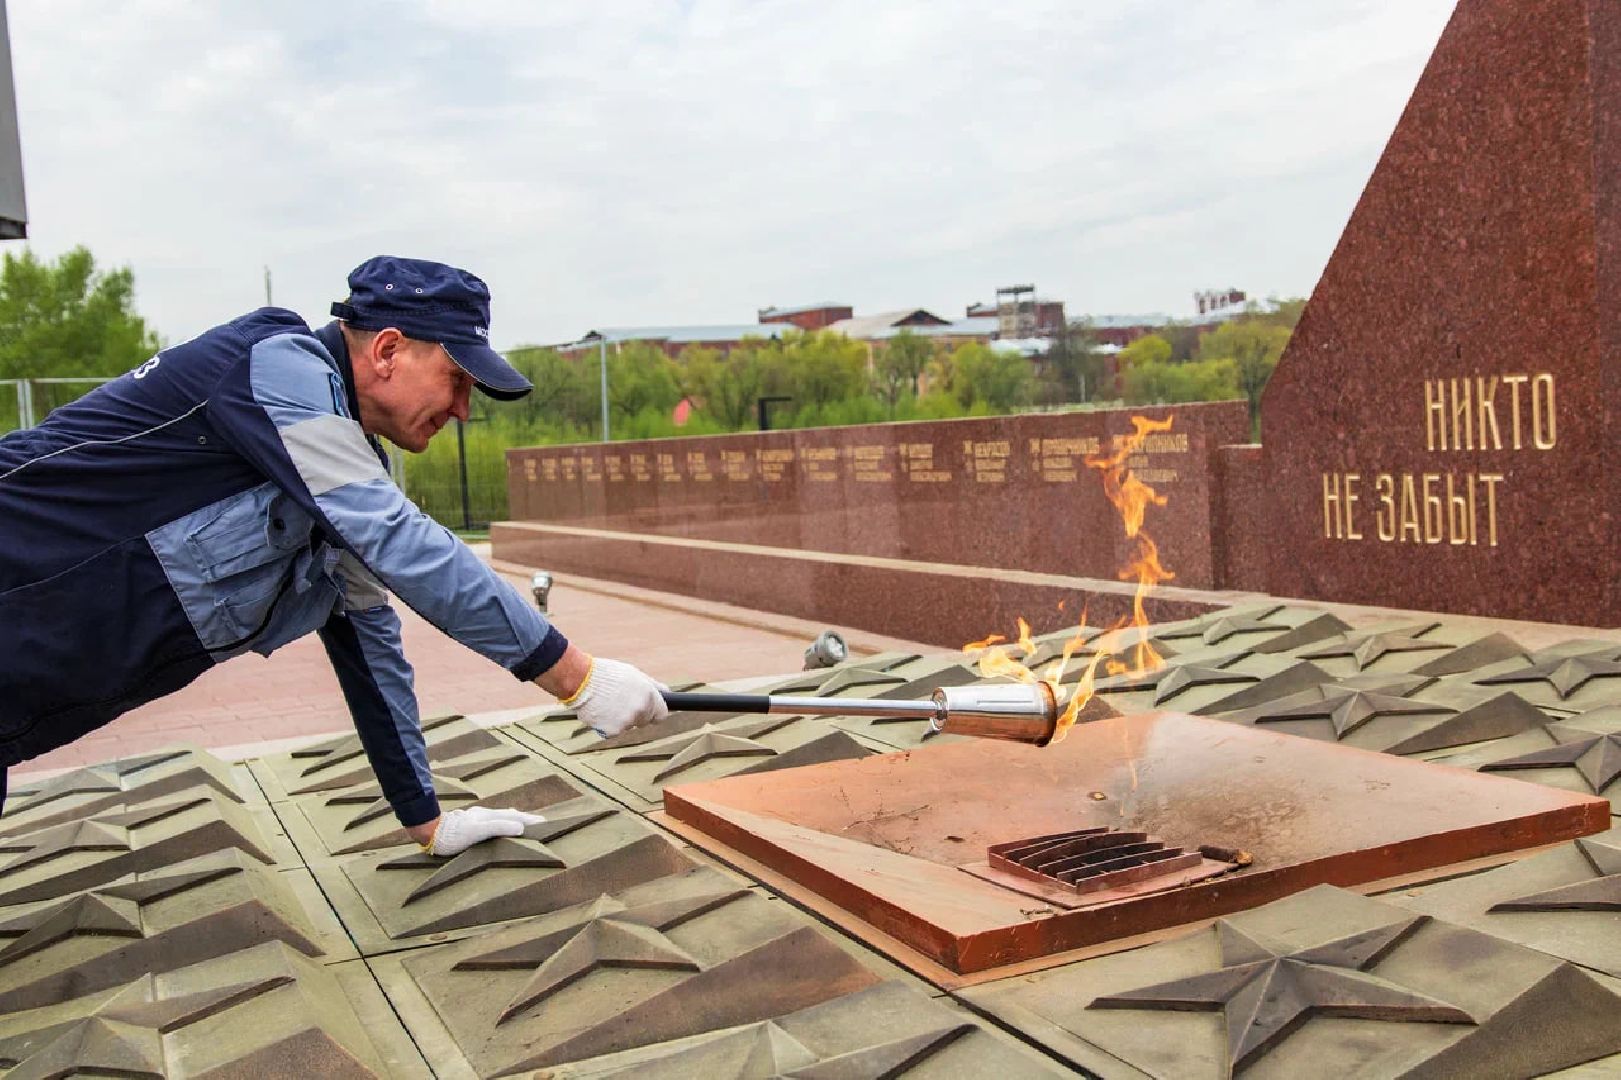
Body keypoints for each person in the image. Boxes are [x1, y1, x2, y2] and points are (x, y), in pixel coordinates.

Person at [0, 256, 669, 854]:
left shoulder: (331, 463)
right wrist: (576, 678)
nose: (464, 409)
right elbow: (396, 535)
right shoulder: (274, 362)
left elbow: (370, 643)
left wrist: (426, 820)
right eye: (455, 379)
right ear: (386, 349)